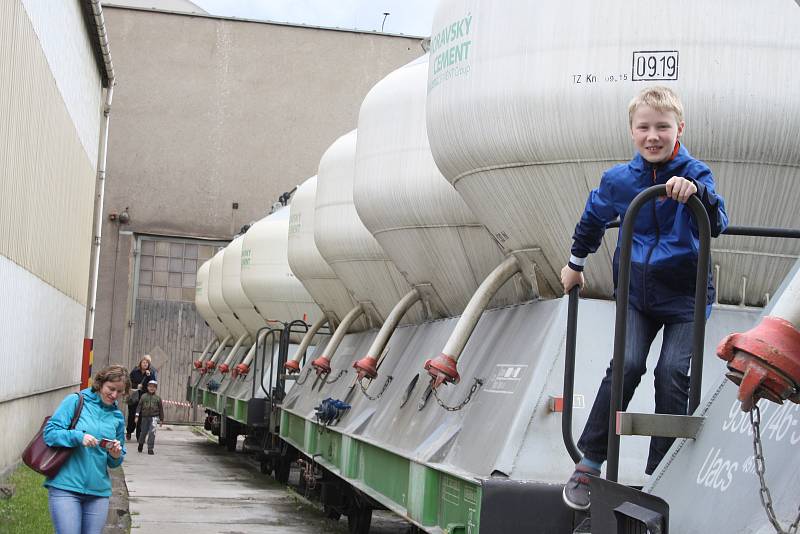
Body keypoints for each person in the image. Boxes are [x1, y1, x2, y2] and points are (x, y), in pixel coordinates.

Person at [560, 86, 728, 510]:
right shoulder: (620, 180)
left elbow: (720, 221)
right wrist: (575, 263)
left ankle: (660, 471)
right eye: (644, 127)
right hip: (637, 291)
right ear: (632, 131)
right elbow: (593, 217)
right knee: (628, 363)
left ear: (679, 129)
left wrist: (696, 194)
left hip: (685, 295)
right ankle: (590, 460)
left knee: (672, 371)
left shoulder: (695, 171)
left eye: (663, 127)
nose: (653, 136)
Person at [43, 365, 129, 534]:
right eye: (111, 389)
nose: (114, 395)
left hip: (98, 493)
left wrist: (116, 455)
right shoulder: (76, 401)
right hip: (65, 487)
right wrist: (78, 437)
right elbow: (50, 433)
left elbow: (114, 462)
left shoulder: (117, 417)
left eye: (120, 392)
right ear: (100, 383)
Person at [127, 355, 157, 440]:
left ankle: (139, 435)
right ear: (140, 363)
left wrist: (150, 375)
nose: (145, 364)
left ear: (149, 364)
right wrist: (137, 385)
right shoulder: (135, 371)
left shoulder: (150, 373)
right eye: (144, 362)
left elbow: (153, 384)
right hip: (134, 397)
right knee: (132, 415)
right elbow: (128, 382)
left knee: (141, 417)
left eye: (147, 363)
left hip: (144, 398)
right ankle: (129, 431)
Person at [135, 379, 164, 455]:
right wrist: (137, 416)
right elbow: (139, 406)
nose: (152, 388)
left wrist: (161, 419)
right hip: (144, 417)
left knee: (152, 433)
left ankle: (150, 448)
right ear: (147, 387)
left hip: (154, 418)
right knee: (143, 432)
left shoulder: (158, 398)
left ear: (156, 388)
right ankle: (140, 444)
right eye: (150, 386)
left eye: (154, 387)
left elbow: (161, 409)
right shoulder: (143, 396)